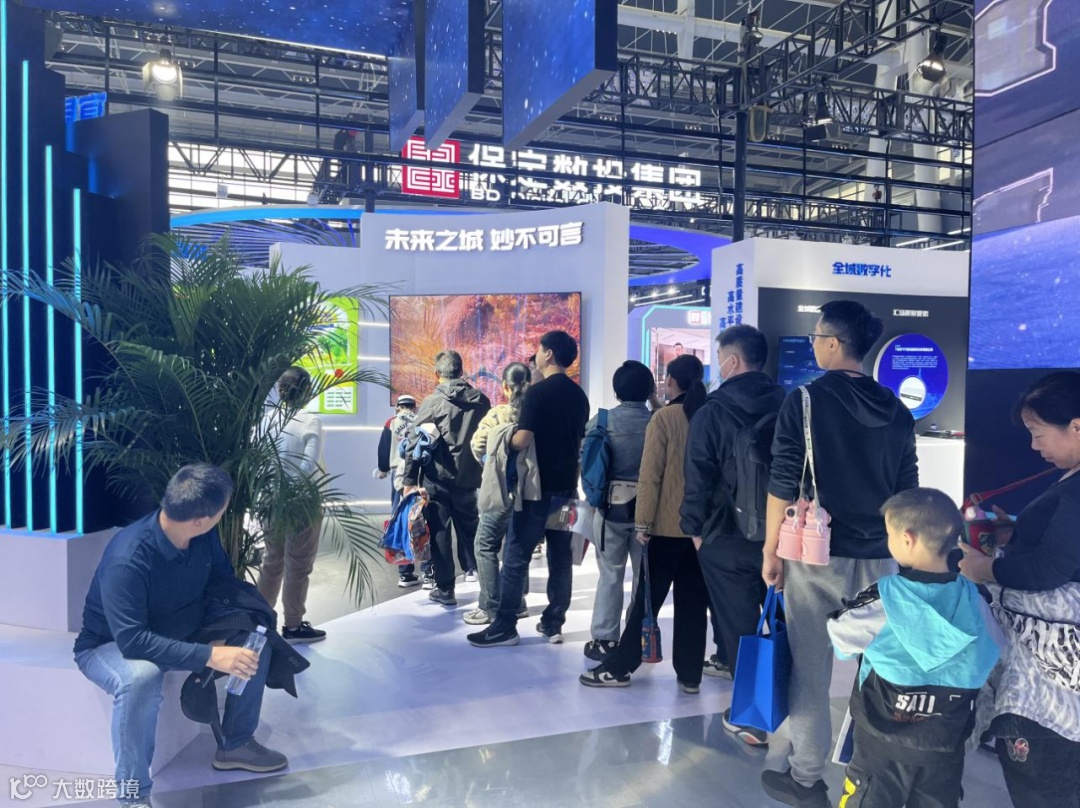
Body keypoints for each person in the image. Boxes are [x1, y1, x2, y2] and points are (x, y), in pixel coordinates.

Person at [761, 300, 918, 808]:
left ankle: (807, 778)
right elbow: (907, 490)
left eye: (815, 337)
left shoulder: (805, 400)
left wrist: (770, 549)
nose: (813, 344)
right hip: (881, 557)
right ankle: (873, 772)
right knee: (880, 669)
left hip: (815, 553)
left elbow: (783, 481)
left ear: (832, 342)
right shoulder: (896, 408)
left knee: (811, 668)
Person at [74, 465, 288, 807]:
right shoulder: (128, 558)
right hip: (110, 644)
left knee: (254, 640)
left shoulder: (202, 536)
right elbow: (132, 641)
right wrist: (208, 655)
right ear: (201, 520)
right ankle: (133, 796)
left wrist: (225, 628)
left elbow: (221, 583)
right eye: (222, 511)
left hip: (183, 629)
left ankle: (235, 743)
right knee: (140, 678)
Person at [828, 488, 1002, 808]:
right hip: (944, 749)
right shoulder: (975, 600)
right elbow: (994, 647)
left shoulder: (884, 598)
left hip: (879, 748)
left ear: (906, 539)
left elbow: (841, 635)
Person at [957, 372, 1080, 808]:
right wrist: (1014, 531)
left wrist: (982, 568)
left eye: (1038, 433)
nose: (1033, 445)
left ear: (1077, 426)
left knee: (1044, 785)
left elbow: (1049, 569)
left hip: (1051, 683)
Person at [579, 354, 710, 692]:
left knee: (641, 595)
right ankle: (690, 676)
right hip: (698, 526)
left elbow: (651, 477)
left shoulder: (654, 419)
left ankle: (617, 659)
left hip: (653, 521)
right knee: (692, 602)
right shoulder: (706, 414)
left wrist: (644, 524)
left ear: (671, 382)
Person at [682, 324, 784, 746]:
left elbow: (697, 477)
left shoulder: (712, 411)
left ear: (733, 361)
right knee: (785, 624)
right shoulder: (791, 404)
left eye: (719, 358)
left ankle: (752, 717)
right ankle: (797, 710)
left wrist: (694, 531)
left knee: (738, 628)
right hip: (783, 536)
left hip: (725, 536)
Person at [467, 330, 590, 647]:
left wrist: (503, 437)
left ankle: (505, 626)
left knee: (516, 556)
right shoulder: (579, 396)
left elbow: (523, 439)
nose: (535, 354)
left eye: (538, 348)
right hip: (567, 491)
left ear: (549, 354)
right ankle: (553, 623)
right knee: (560, 559)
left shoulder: (538, 393)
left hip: (536, 491)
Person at [401, 350, 492, 606]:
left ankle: (446, 590)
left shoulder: (432, 402)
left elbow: (414, 442)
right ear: (461, 372)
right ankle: (490, 590)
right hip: (470, 479)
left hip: (437, 480)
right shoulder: (482, 401)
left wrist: (409, 480)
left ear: (437, 374)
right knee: (473, 534)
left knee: (440, 533)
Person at [582, 360, 658, 662]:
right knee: (644, 577)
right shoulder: (658, 421)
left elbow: (586, 459)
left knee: (610, 574)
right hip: (650, 512)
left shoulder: (602, 421)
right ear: (649, 389)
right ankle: (638, 635)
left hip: (610, 507)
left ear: (616, 391)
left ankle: (604, 639)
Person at [257, 366, 327, 644]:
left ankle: (261, 622)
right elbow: (308, 465)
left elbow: (259, 459)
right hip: (301, 502)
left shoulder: (266, 419)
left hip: (270, 499)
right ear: (307, 390)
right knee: (298, 564)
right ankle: (294, 626)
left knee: (272, 561)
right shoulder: (311, 421)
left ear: (281, 390)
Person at [464, 362, 533, 626]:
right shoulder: (536, 414)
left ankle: (490, 605)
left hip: (501, 489)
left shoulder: (498, 414)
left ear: (505, 387)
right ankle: (518, 604)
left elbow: (477, 444)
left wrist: (491, 464)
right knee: (517, 546)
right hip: (529, 491)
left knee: (484, 545)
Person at [377, 394, 422, 587]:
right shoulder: (421, 420)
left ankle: (405, 572)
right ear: (414, 407)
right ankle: (429, 571)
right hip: (420, 473)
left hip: (399, 476)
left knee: (399, 518)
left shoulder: (391, 422)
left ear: (397, 407)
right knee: (423, 518)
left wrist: (383, 469)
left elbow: (383, 449)